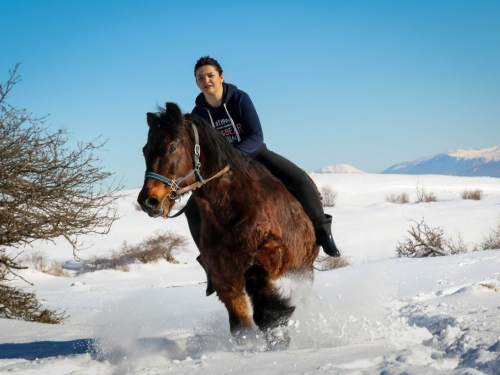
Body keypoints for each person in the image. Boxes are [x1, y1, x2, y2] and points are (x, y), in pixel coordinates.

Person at [186, 56, 340, 296]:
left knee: (299, 178)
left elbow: (256, 135)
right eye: (200, 78)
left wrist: (235, 156)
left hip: (255, 154)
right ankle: (209, 265)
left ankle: (323, 233)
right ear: (196, 83)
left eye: (210, 76)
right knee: (193, 209)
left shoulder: (239, 98)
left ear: (221, 77)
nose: (206, 81)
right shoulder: (198, 114)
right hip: (222, 169)